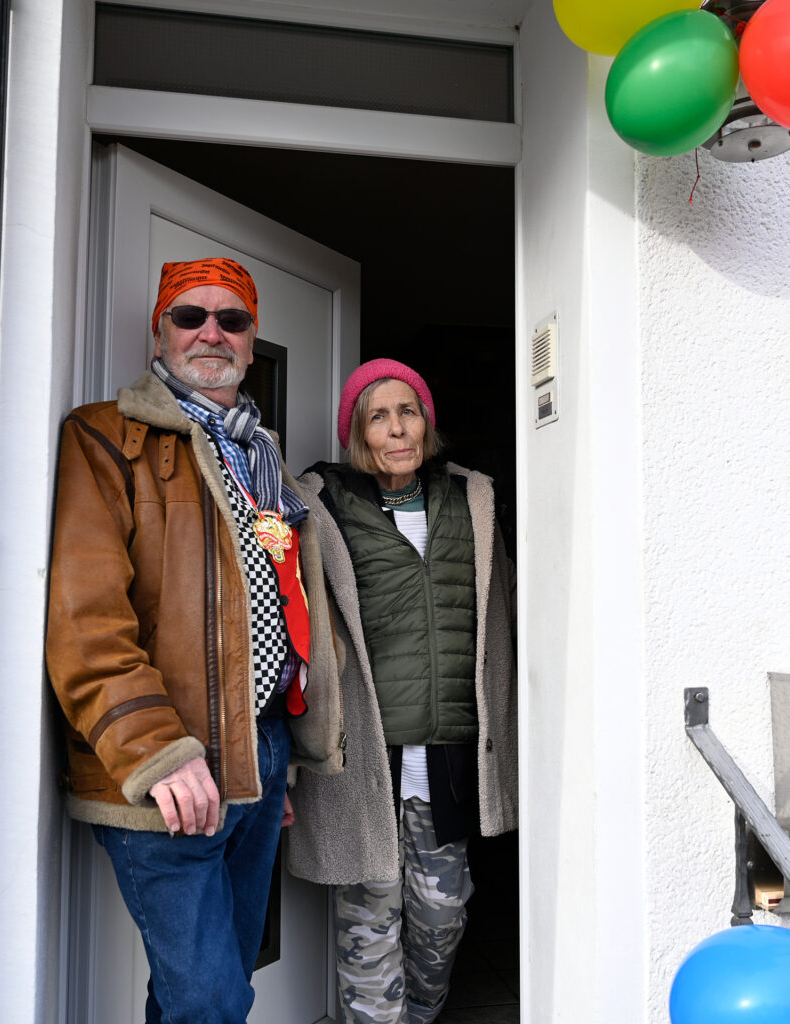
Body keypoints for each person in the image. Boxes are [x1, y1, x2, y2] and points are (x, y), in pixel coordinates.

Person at [45, 257, 344, 1024]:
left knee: (214, 988)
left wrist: (275, 756)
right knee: (208, 1000)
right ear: (161, 330)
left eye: (232, 320)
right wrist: (159, 750)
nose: (211, 332)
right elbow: (85, 619)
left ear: (250, 343)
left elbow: (284, 603)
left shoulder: (262, 453)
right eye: (190, 315)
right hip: (169, 767)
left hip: (262, 757)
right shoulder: (107, 435)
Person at [287, 358, 518, 1024]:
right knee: (368, 929)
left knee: (442, 916)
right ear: (357, 432)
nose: (396, 429)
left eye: (408, 411)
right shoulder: (323, 505)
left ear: (426, 422)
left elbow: (497, 618)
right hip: (364, 761)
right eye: (377, 415)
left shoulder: (468, 499)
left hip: (443, 758)